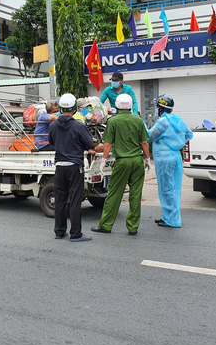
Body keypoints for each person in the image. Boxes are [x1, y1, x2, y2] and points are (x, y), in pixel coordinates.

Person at [92, 94, 151, 236]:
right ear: (130, 106)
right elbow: (144, 142)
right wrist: (147, 159)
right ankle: (133, 227)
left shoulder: (113, 121)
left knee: (114, 194)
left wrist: (104, 160)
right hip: (137, 161)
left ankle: (106, 225)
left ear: (117, 106)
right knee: (136, 195)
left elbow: (108, 144)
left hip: (122, 161)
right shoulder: (138, 120)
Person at [49, 93, 95, 242]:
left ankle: (59, 231)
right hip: (74, 166)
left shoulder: (53, 125)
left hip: (59, 166)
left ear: (60, 109)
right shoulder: (78, 125)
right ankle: (76, 234)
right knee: (74, 200)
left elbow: (51, 141)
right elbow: (89, 144)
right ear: (75, 108)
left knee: (60, 199)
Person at [148, 95, 193, 228]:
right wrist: (176, 143)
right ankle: (167, 217)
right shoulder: (178, 120)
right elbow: (189, 134)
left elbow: (150, 136)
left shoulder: (163, 122)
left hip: (164, 158)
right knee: (174, 188)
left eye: (157, 106)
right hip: (175, 157)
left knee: (166, 188)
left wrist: (142, 125)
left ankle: (172, 220)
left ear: (160, 108)